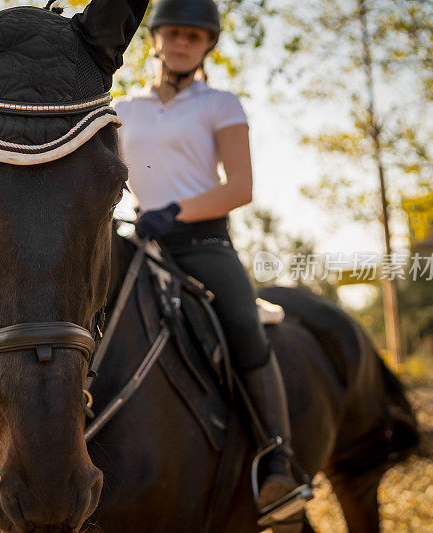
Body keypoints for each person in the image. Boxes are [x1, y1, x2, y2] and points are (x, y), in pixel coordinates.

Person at [112, 0, 312, 526]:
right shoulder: (123, 109)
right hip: (140, 240)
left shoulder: (220, 103)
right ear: (155, 38)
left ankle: (277, 460)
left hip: (203, 245)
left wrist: (174, 211)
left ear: (208, 45)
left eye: (195, 36)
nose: (182, 42)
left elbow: (240, 187)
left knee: (244, 324)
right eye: (174, 32)